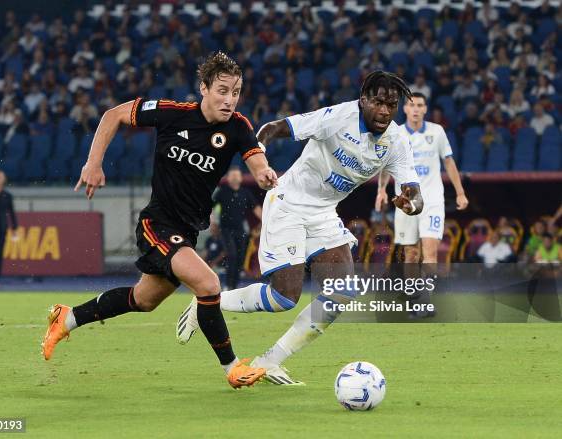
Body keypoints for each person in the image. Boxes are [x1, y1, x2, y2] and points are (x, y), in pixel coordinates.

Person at [41, 52, 278, 389]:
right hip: (157, 224)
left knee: (144, 300)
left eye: (236, 92)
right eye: (222, 90)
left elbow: (255, 157)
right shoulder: (172, 113)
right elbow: (113, 115)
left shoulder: (238, 126)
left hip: (186, 231)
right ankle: (232, 368)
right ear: (204, 88)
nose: (229, 99)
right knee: (209, 285)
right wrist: (93, 163)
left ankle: (68, 317)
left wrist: (264, 173)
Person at [177, 71, 423, 384]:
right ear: (363, 100)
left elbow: (415, 193)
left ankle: (268, 362)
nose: (385, 111)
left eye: (392, 104)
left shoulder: (396, 141)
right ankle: (208, 303)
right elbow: (274, 128)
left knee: (343, 290)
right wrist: (260, 158)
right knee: (284, 298)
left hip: (323, 212)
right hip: (288, 202)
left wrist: (410, 203)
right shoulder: (337, 117)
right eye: (378, 102)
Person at [376, 92, 468, 265]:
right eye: (412, 105)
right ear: (405, 109)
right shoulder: (396, 134)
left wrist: (460, 193)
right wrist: (381, 190)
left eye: (419, 105)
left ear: (425, 109)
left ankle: (428, 292)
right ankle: (413, 291)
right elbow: (387, 165)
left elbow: (448, 162)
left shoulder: (437, 131)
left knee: (430, 253)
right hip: (405, 202)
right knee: (410, 254)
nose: (415, 109)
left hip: (432, 200)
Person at [212, 166, 262, 289]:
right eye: (232, 175)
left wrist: (266, 220)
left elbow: (256, 208)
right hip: (226, 230)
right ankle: (228, 285)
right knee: (232, 255)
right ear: (228, 178)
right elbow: (211, 206)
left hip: (240, 230)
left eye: (237, 175)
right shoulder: (222, 191)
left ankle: (234, 285)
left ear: (240, 178)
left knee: (240, 258)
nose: (234, 177)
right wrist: (212, 220)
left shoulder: (245, 193)